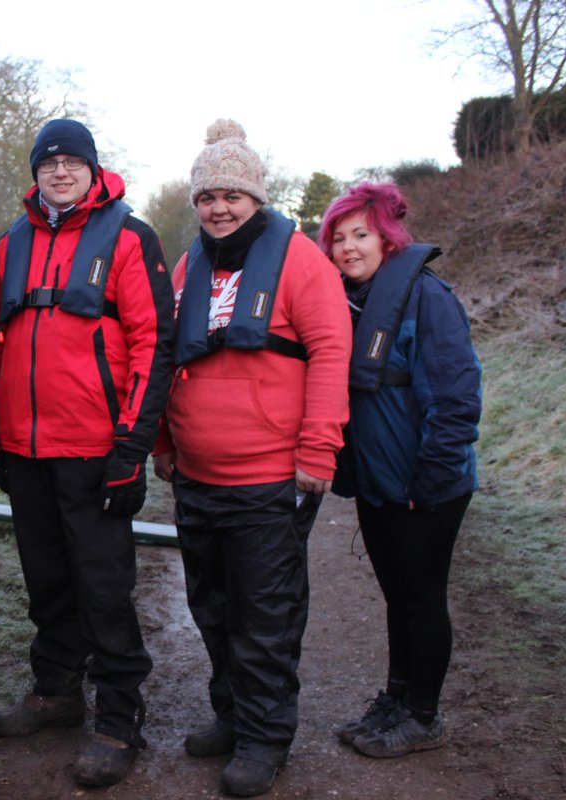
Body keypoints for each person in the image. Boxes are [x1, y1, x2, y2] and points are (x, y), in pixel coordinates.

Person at [152, 120, 351, 797]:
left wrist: (318, 449)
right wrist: (166, 445)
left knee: (265, 618)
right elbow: (173, 359)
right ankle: (232, 716)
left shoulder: (301, 263)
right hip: (199, 478)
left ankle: (267, 737)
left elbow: (330, 354)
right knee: (212, 607)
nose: (219, 207)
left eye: (233, 194)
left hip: (269, 481)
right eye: (207, 196)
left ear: (257, 198)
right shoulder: (189, 267)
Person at [0, 118, 174, 788]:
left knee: (103, 588)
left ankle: (120, 717)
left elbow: (155, 345)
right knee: (46, 580)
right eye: (48, 163)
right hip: (26, 447)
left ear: (93, 170)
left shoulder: (129, 236)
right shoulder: (10, 242)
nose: (59, 172)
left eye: (72, 162)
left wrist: (132, 447)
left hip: (96, 448)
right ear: (34, 172)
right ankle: (57, 690)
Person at [318, 182, 481, 759]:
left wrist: (430, 482)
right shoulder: (351, 301)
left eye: (360, 234)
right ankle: (396, 699)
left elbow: (457, 398)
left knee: (421, 596)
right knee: (397, 596)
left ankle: (423, 715)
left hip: (425, 485)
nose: (348, 248)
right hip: (379, 482)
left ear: (389, 238)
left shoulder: (427, 298)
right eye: (337, 238)